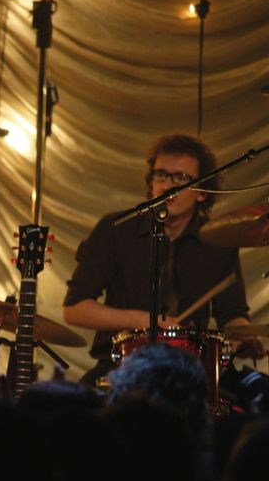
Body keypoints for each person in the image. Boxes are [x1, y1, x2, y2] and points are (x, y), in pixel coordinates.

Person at [63, 134, 264, 386]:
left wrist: (243, 337)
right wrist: (140, 321)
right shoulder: (117, 229)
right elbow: (74, 309)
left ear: (202, 192)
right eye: (161, 175)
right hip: (121, 365)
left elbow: (232, 315)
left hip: (192, 369)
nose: (168, 185)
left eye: (180, 178)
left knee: (259, 393)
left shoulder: (218, 240)